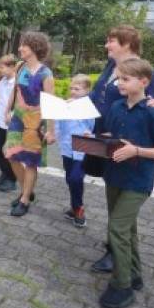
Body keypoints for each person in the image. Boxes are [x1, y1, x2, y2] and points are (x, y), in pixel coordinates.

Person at [89, 24, 154, 271]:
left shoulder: (143, 71)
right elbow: (98, 96)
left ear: (126, 43)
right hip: (105, 138)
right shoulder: (110, 67)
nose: (106, 45)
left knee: (122, 198)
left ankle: (116, 253)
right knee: (113, 190)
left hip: (125, 144)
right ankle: (118, 248)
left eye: (111, 41)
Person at [97, 57, 154, 308]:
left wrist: (136, 151)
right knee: (127, 229)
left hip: (137, 180)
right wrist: (94, 138)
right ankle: (135, 274)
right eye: (118, 78)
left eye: (125, 79)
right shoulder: (117, 106)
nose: (119, 82)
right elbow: (112, 136)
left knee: (117, 229)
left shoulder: (153, 112)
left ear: (144, 82)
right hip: (114, 176)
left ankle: (122, 286)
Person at [3, 32, 55, 217]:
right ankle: (28, 189)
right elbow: (15, 91)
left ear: (33, 48)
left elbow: (50, 105)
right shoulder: (20, 66)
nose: (19, 48)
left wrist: (51, 131)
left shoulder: (46, 75)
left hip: (36, 122)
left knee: (31, 162)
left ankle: (24, 199)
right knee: (11, 154)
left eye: (23, 45)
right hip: (18, 118)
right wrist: (7, 110)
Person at [53, 74, 95, 228]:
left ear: (87, 90)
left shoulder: (89, 107)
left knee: (75, 178)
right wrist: (52, 135)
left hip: (83, 148)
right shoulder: (65, 104)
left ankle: (79, 209)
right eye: (71, 88)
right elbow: (58, 124)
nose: (73, 91)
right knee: (69, 178)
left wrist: (91, 135)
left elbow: (93, 127)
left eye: (77, 89)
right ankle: (74, 206)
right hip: (66, 148)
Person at [0, 54, 18, 192]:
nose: (0, 70)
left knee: (10, 152)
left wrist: (11, 115)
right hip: (0, 120)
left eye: (3, 68)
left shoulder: (17, 83)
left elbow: (19, 102)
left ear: (12, 67)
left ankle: (12, 179)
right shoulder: (3, 81)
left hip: (12, 121)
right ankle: (5, 172)